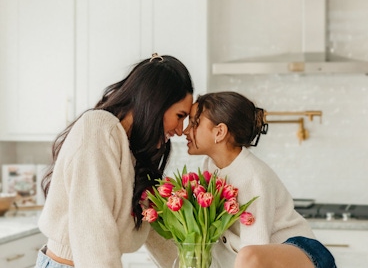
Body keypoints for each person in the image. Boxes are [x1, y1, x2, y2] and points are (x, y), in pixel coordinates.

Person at [35, 53, 193, 268]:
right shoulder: (99, 128)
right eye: (180, 115)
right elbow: (93, 229)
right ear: (157, 103)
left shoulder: (133, 149)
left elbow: (156, 228)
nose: (180, 130)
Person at [183, 91, 336, 268]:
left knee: (249, 254)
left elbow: (256, 245)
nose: (186, 131)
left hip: (303, 252)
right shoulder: (209, 165)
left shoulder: (253, 176)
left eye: (194, 123)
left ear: (220, 132)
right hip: (255, 257)